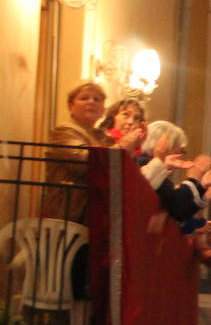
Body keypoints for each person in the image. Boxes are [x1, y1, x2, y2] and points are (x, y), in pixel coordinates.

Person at [43, 82, 145, 222]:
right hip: (69, 214)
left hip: (95, 212)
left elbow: (121, 172)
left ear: (103, 110)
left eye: (97, 99)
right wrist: (123, 146)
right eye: (84, 98)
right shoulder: (64, 131)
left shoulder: (101, 136)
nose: (91, 101)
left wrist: (132, 148)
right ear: (70, 107)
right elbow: (85, 162)